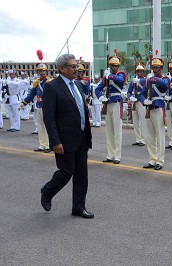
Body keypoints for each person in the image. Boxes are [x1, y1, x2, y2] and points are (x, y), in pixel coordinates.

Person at [41, 53, 93, 218]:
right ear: (62, 68)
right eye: (73, 66)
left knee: (81, 175)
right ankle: (47, 191)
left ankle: (78, 207)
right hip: (64, 140)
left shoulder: (77, 85)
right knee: (66, 172)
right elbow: (49, 118)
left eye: (76, 66)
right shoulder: (52, 87)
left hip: (82, 137)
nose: (76, 69)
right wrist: (55, 141)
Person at [95, 53, 127, 164]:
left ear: (119, 66)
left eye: (116, 65)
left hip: (117, 103)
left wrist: (109, 76)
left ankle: (117, 156)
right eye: (112, 65)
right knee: (109, 130)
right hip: (108, 104)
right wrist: (101, 97)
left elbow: (120, 81)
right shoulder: (106, 77)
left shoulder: (121, 74)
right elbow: (97, 90)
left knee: (117, 131)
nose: (114, 67)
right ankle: (110, 154)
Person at [140, 54, 169, 170]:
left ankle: (160, 161)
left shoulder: (164, 78)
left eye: (157, 67)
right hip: (149, 109)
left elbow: (164, 85)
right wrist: (144, 101)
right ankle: (152, 159)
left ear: (161, 68)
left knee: (160, 136)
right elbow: (142, 93)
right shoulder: (148, 81)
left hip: (158, 109)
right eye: (154, 67)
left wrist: (152, 78)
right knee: (150, 136)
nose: (155, 69)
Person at [20, 62, 52, 152]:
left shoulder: (50, 82)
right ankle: (42, 145)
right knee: (40, 126)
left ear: (46, 72)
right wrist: (24, 103)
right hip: (38, 106)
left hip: (47, 107)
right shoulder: (36, 82)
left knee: (47, 127)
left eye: (43, 71)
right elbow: (31, 94)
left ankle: (48, 145)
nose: (42, 73)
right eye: (40, 71)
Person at [128, 62, 146, 146]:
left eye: (141, 71)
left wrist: (138, 80)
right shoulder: (133, 81)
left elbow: (145, 81)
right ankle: (138, 139)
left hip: (141, 102)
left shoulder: (144, 80)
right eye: (138, 71)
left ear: (143, 72)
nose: (139, 73)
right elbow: (129, 91)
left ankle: (143, 139)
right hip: (134, 101)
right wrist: (130, 97)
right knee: (135, 122)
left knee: (143, 121)